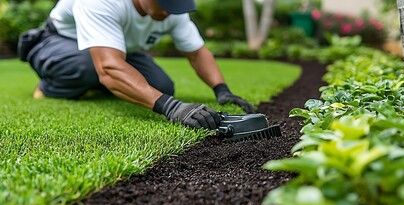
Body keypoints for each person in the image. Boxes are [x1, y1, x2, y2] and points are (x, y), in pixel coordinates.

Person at [19, 0, 255, 130]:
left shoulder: (173, 12)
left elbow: (197, 53)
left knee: (162, 86)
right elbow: (109, 68)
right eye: (165, 4)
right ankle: (49, 86)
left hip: (118, 48)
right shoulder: (101, 2)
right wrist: (172, 108)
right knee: (92, 68)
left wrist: (221, 89)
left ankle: (100, 86)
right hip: (59, 41)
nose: (168, 11)